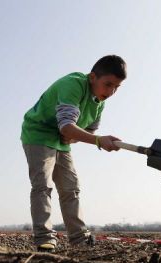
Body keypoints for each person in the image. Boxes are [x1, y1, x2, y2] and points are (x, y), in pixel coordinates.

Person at [21, 55, 127, 252]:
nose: (111, 92)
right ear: (93, 77)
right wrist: (97, 141)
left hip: (61, 140)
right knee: (42, 185)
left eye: (117, 87)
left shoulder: (99, 101)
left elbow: (87, 131)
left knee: (71, 188)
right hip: (38, 133)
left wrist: (76, 138)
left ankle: (79, 238)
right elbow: (68, 127)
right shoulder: (74, 85)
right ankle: (44, 238)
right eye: (108, 84)